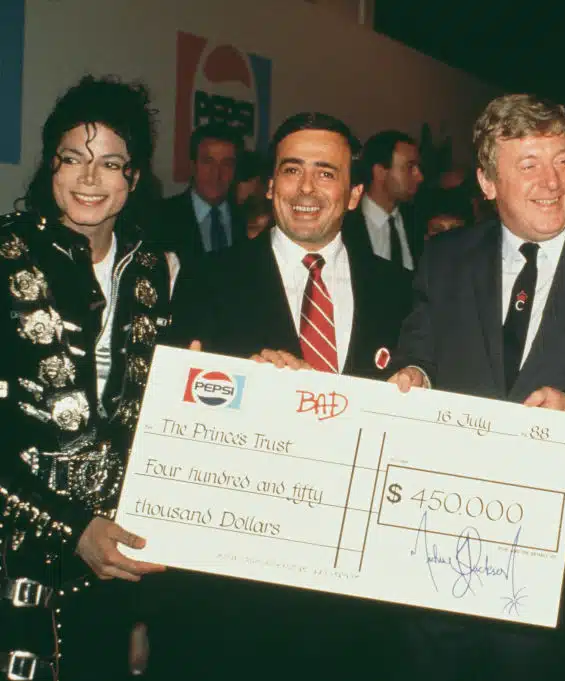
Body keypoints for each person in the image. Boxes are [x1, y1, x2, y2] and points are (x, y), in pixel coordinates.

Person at [391, 93, 565, 681]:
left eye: (562, 161)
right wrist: (415, 376)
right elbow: (420, 352)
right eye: (529, 165)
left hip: (561, 557)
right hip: (440, 546)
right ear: (487, 181)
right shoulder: (444, 258)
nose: (552, 182)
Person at [144, 112, 410, 679]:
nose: (306, 189)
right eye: (291, 171)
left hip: (355, 601)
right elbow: (168, 422)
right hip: (235, 596)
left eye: (326, 173)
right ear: (270, 186)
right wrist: (238, 386)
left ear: (354, 193)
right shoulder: (207, 278)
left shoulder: (400, 290)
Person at [0, 75, 172, 681]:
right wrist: (73, 528)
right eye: (73, 158)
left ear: (134, 176)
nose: (89, 179)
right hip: (13, 557)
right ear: (52, 165)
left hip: (109, 573)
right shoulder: (7, 255)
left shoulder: (155, 268)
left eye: (111, 164)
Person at [150, 123, 245, 261]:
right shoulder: (159, 218)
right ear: (192, 165)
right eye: (208, 162)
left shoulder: (247, 220)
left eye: (226, 164)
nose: (216, 174)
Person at [343, 130, 424, 270]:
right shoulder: (345, 225)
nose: (420, 177)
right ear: (380, 172)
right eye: (410, 167)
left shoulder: (419, 221)